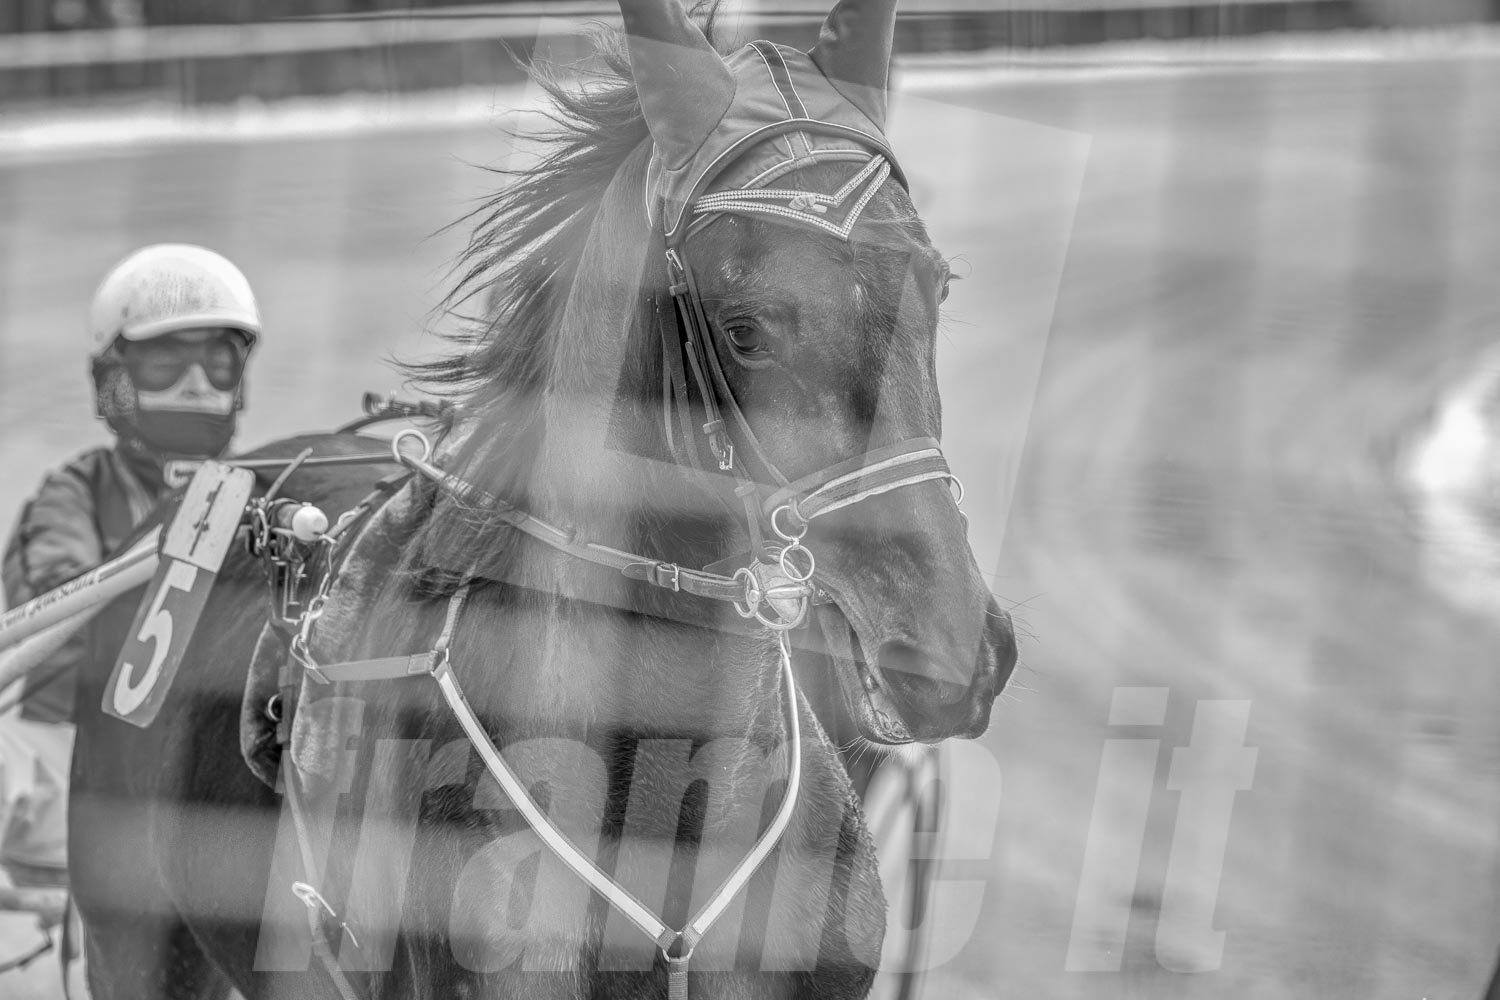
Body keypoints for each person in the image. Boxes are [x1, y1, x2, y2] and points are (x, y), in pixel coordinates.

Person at [0, 243, 260, 891]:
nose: (197, 383)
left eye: (219, 360)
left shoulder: (268, 498)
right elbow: (57, 596)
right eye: (167, 360)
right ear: (114, 377)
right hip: (66, 760)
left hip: (212, 783)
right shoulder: (74, 492)